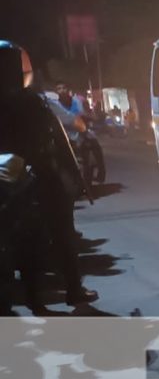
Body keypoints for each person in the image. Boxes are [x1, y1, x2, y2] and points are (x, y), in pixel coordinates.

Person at [0, 41, 97, 310]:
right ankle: (73, 291)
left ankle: (35, 300)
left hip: (17, 189)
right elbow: (59, 137)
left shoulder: (32, 101)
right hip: (41, 182)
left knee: (25, 243)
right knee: (62, 237)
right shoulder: (34, 102)